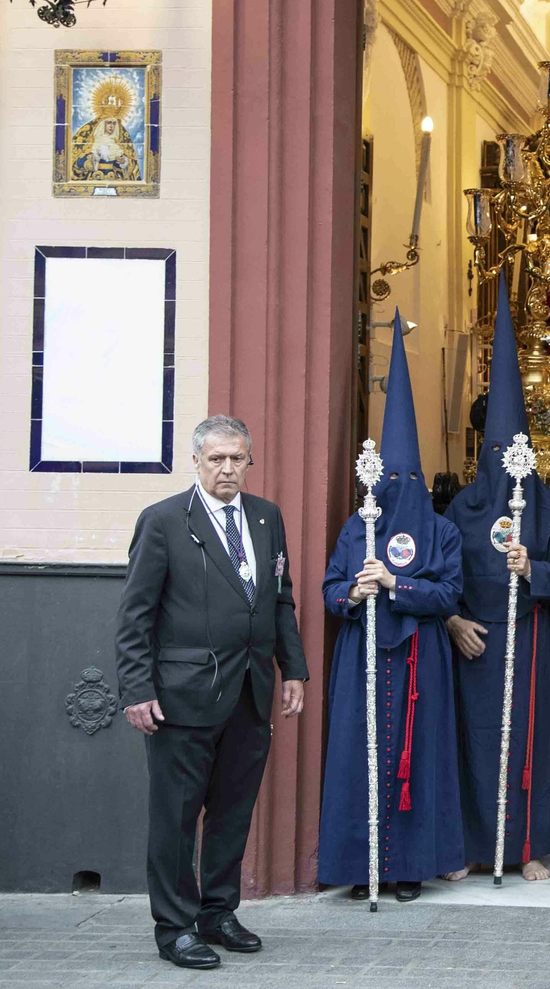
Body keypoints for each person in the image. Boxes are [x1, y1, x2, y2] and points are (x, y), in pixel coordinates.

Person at [115, 415, 309, 970]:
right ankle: (174, 927)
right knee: (176, 817)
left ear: (250, 460)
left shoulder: (267, 518)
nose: (228, 468)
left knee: (232, 811)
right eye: (216, 459)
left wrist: (291, 668)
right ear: (196, 461)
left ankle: (218, 912)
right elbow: (134, 616)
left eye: (238, 458)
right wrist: (136, 689)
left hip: (251, 690)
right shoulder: (163, 521)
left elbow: (280, 599)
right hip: (182, 695)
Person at [319, 311, 465, 900]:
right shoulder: (358, 528)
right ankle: (363, 867)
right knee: (361, 755)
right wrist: (355, 590)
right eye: (392, 475)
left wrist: (395, 586)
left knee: (416, 756)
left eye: (411, 475)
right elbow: (331, 589)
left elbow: (449, 593)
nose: (401, 487)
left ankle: (408, 867)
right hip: (363, 656)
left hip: (419, 657)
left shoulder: (442, 531)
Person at [445, 286, 550, 881]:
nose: (502, 461)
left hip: (527, 635)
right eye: (493, 450)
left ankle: (525, 845)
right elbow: (439, 576)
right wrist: (451, 620)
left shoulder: (549, 509)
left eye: (512, 449)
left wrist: (533, 571)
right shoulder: (460, 510)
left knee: (523, 739)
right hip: (474, 640)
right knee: (473, 740)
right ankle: (473, 845)